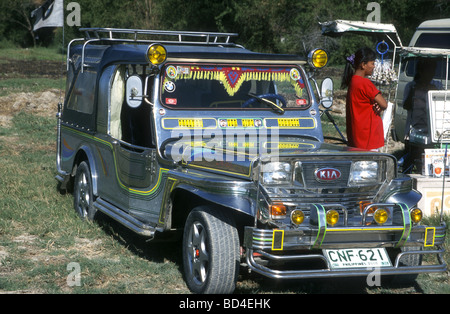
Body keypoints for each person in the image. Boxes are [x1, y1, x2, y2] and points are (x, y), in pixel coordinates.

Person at [341, 47, 388, 151]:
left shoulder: (353, 81)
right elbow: (384, 104)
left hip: (357, 136)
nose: (374, 66)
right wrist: (379, 104)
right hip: (368, 137)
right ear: (363, 65)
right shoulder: (365, 83)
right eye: (372, 63)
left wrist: (375, 104)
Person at [402, 57, 441, 173]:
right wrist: (414, 91)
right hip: (413, 131)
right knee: (410, 160)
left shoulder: (437, 85)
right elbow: (406, 105)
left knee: (427, 163)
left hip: (430, 132)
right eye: (429, 71)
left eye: (433, 71)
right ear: (421, 72)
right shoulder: (410, 86)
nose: (431, 74)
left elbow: (439, 105)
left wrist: (433, 91)